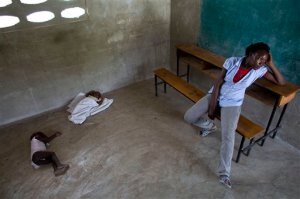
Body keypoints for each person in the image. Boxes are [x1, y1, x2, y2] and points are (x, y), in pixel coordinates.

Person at [184, 42, 286, 188]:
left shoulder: (260, 70)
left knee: (228, 137)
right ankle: (210, 126)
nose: (261, 62)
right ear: (250, 54)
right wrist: (212, 106)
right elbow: (218, 82)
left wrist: (271, 64)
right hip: (216, 94)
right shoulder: (232, 61)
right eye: (259, 58)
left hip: (233, 103)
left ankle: (224, 174)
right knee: (189, 116)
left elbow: (281, 82)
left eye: (264, 60)